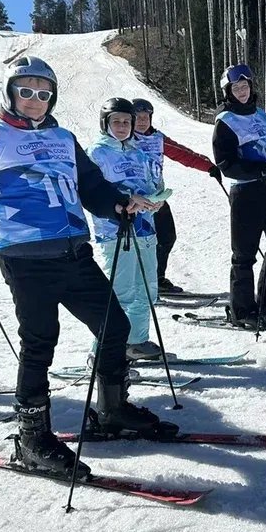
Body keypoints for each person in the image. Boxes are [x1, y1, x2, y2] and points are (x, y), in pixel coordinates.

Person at [0, 56, 176, 478]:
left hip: (74, 252)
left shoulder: (63, 137)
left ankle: (112, 410)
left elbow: (92, 185)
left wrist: (119, 203)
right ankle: (31, 439)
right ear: (10, 93)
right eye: (25, 91)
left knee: (114, 326)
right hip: (26, 258)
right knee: (40, 342)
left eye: (43, 93)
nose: (34, 100)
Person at [211, 64, 266, 328]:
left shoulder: (261, 114)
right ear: (228, 91)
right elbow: (226, 164)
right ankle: (242, 309)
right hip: (246, 192)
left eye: (245, 86)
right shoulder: (225, 121)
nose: (242, 91)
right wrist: (262, 170)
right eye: (236, 88)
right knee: (244, 254)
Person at [86, 98, 166, 360]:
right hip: (116, 231)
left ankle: (136, 341)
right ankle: (102, 352)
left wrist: (158, 197)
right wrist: (128, 197)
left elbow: (155, 182)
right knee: (120, 293)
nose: (122, 126)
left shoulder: (139, 152)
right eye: (116, 121)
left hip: (145, 229)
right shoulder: (97, 153)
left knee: (147, 289)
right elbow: (93, 191)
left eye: (127, 121)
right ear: (105, 123)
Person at [130, 98, 222, 294]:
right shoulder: (123, 139)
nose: (142, 121)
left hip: (156, 199)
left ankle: (156, 278)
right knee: (137, 243)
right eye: (138, 117)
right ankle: (136, 283)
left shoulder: (156, 138)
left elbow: (183, 154)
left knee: (166, 237)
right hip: (134, 202)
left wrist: (208, 166)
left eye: (146, 117)